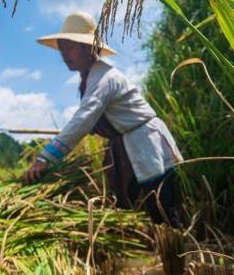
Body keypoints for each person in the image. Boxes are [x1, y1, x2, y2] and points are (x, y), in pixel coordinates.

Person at [23, 11, 183, 226]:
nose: (64, 54)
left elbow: (84, 118)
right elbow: (92, 119)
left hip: (147, 144)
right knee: (136, 207)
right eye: (62, 48)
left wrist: (45, 158)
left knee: (162, 208)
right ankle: (156, 248)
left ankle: (178, 251)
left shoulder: (104, 77)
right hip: (132, 145)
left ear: (88, 48)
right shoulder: (91, 78)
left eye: (69, 47)